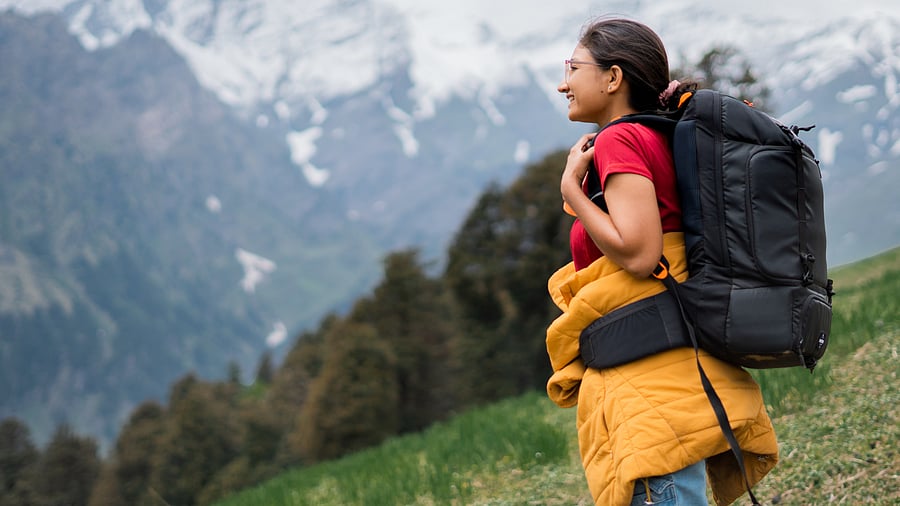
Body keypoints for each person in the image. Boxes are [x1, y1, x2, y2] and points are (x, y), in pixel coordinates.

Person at [544, 18, 779, 506]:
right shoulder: (658, 135)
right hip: (663, 369)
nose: (563, 82)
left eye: (572, 67)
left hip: (649, 374)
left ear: (612, 78)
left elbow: (640, 252)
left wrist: (571, 191)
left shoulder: (620, 140)